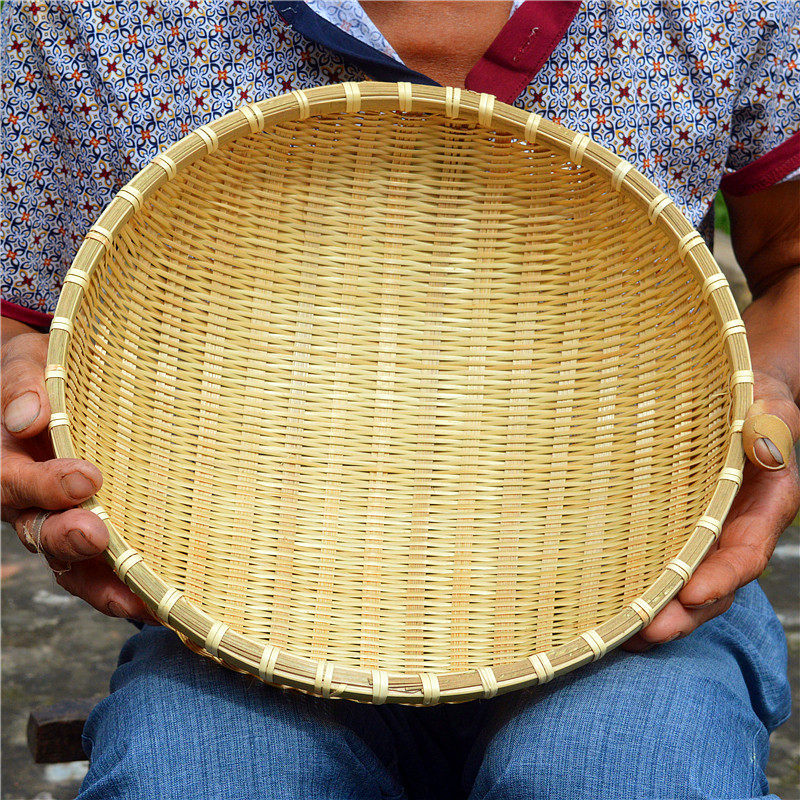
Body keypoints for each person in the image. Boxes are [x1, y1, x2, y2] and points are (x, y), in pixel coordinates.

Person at [2, 2, 798, 798]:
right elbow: (18, 307)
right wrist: (18, 394)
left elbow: (789, 253)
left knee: (626, 775)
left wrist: (772, 389)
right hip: (244, 605)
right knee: (191, 778)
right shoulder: (80, 14)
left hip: (637, 583)